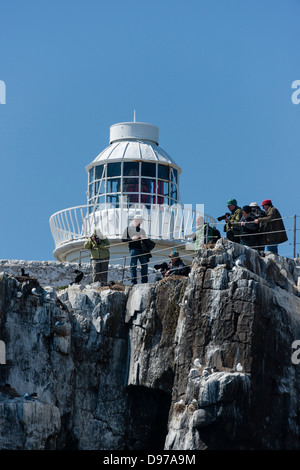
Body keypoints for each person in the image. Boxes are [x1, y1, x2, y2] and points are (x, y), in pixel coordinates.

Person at [122, 215, 149, 285]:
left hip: (142, 250)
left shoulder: (142, 230)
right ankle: (133, 283)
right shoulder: (128, 229)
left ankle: (144, 282)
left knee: (145, 265)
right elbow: (123, 239)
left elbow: (146, 241)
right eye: (141, 221)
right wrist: (131, 239)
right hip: (133, 249)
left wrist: (144, 238)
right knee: (133, 266)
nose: (141, 222)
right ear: (136, 220)